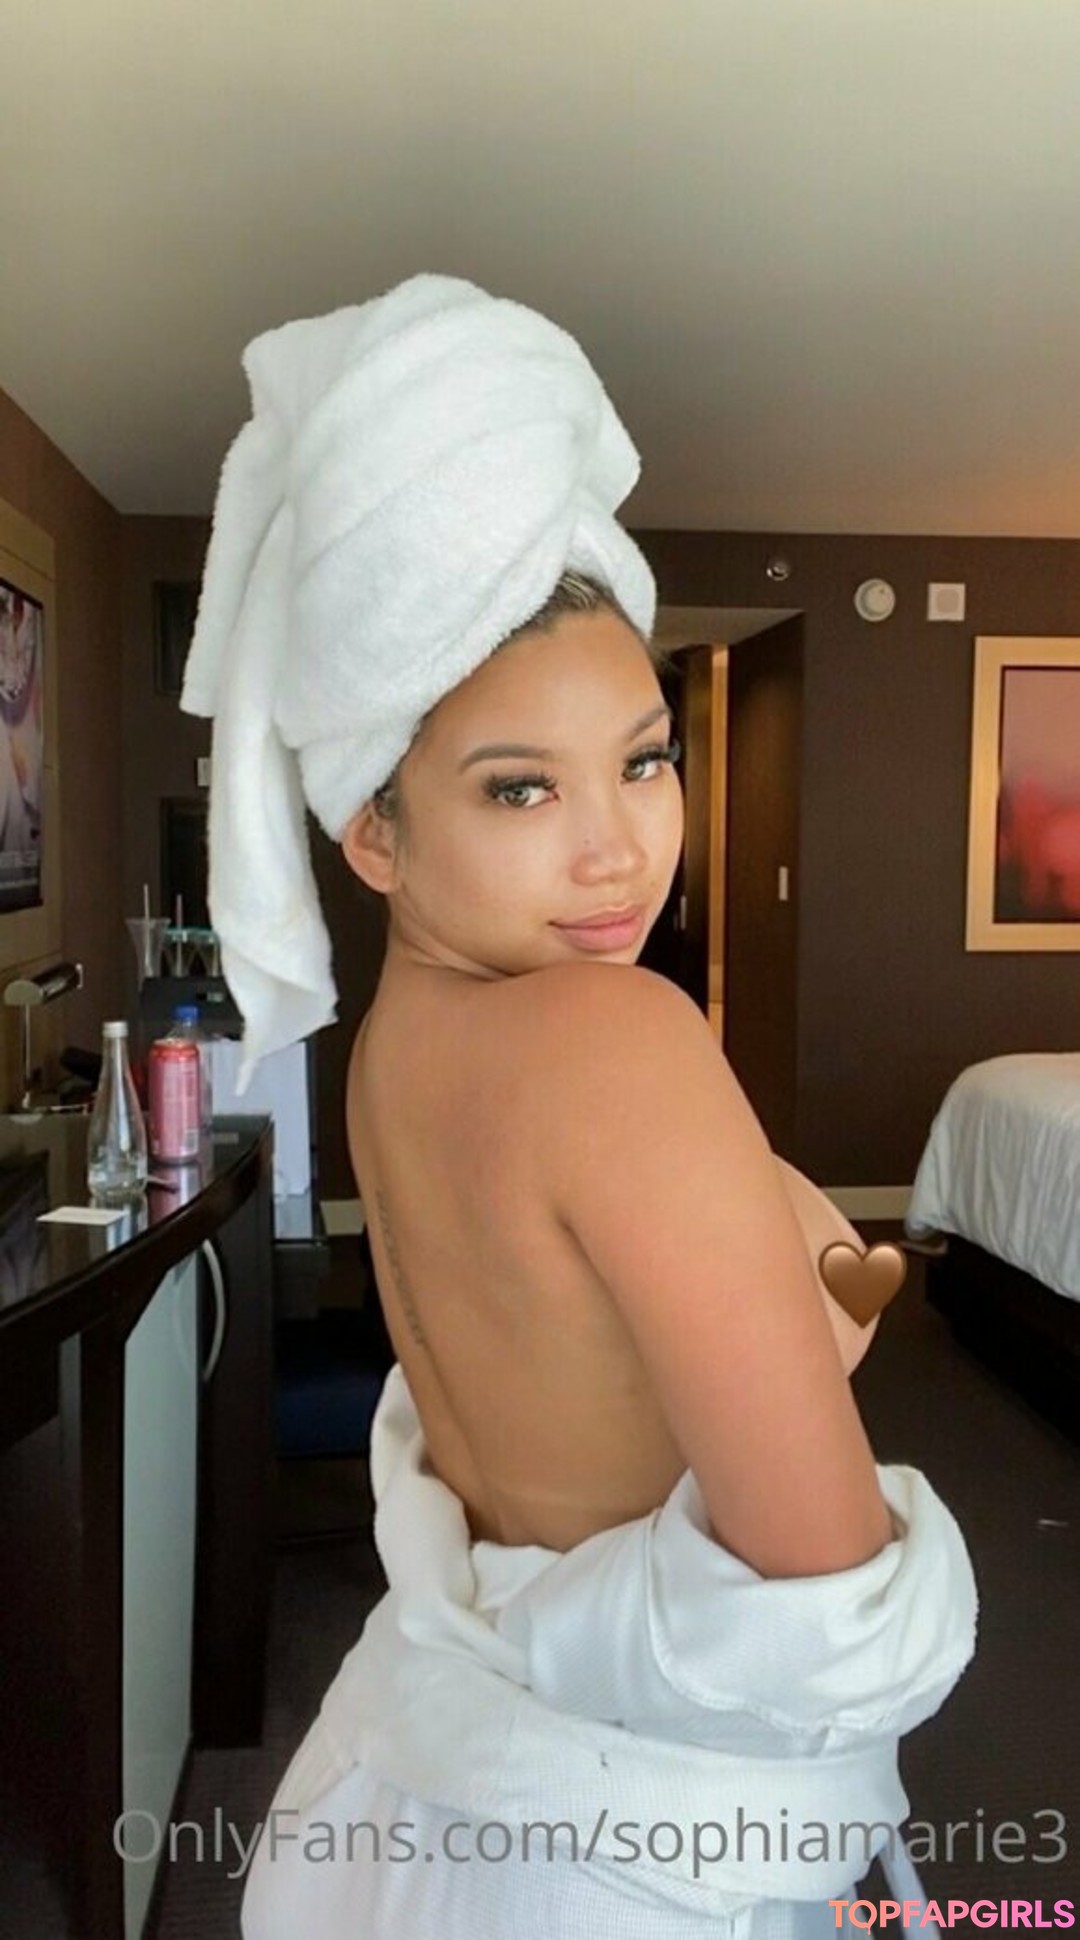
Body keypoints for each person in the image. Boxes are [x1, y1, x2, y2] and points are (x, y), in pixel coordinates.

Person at [182, 276, 977, 1939]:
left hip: (430, 1795)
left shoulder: (397, 1046)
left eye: (644, 756)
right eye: (521, 787)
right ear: (373, 829)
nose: (619, 847)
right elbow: (830, 1598)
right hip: (626, 1862)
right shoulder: (614, 1035)